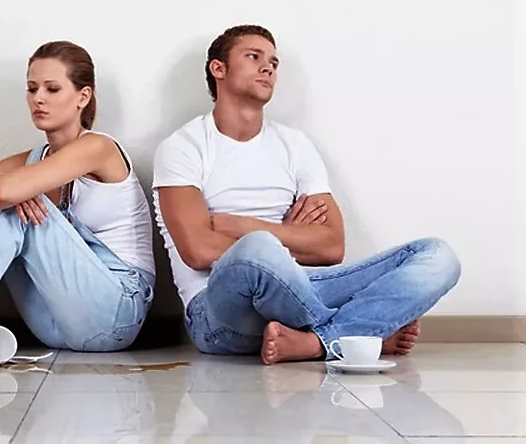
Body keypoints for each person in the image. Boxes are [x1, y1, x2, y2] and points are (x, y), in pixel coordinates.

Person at [152, 25, 461, 365]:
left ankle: (318, 342)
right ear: (218, 69)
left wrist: (243, 225)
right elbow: (198, 251)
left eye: (274, 62)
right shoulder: (183, 147)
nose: (268, 68)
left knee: (437, 256)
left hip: (295, 289)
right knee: (258, 248)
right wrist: (286, 238)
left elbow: (331, 247)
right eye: (253, 57)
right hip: (216, 311)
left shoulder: (295, 145)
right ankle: (359, 332)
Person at [0, 40, 155, 359]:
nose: (39, 99)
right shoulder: (35, 158)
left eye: (52, 89)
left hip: (117, 312)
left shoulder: (98, 148)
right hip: (52, 323)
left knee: (11, 205)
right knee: (10, 200)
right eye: (32, 89)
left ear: (83, 97)